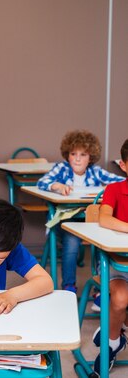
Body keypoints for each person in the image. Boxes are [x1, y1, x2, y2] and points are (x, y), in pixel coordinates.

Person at [37, 129, 124, 292]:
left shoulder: (95, 172)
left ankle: (102, 288)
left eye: (83, 154)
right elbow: (43, 182)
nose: (77, 159)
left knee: (103, 239)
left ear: (90, 157)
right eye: (73, 153)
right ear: (67, 155)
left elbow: (121, 181)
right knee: (72, 240)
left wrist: (109, 189)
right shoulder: (61, 168)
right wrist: (57, 186)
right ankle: (69, 284)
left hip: (89, 222)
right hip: (65, 222)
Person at [91, 139, 128, 374]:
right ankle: (113, 341)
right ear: (124, 166)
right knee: (121, 299)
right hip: (114, 264)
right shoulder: (114, 189)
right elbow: (104, 219)